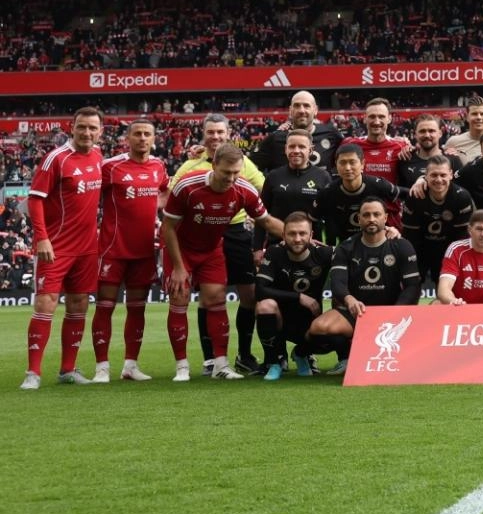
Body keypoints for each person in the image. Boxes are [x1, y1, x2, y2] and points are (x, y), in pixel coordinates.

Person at [160, 144, 283, 381]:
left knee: (216, 299)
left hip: (212, 251)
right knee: (179, 299)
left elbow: (267, 222)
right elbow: (168, 227)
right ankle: (182, 366)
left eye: (236, 172)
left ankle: (221, 365)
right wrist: (177, 267)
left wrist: (299, 236)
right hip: (180, 250)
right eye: (226, 172)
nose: (231, 178)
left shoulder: (243, 189)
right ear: (214, 165)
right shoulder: (188, 185)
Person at [22, 107, 105, 390]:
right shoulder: (55, 159)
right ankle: (33, 373)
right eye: (82, 127)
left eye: (92, 128)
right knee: (45, 304)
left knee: (79, 305)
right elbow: (35, 199)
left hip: (86, 248)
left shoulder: (98, 157)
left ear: (100, 132)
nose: (87, 132)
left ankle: (67, 369)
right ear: (72, 127)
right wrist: (42, 237)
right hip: (55, 247)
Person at [305, 198, 421, 374]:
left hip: (390, 312)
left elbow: (413, 286)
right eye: (366, 215)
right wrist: (349, 299)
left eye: (376, 214)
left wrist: (396, 312)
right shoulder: (346, 247)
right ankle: (344, 356)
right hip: (357, 312)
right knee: (319, 328)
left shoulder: (401, 245)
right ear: (359, 219)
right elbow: (337, 283)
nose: (371, 218)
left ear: (385, 218)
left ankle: (373, 352)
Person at [93, 118, 168, 383]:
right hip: (112, 249)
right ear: (128, 138)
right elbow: (90, 197)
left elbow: (165, 194)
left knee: (137, 308)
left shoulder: (159, 166)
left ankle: (130, 365)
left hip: (145, 251)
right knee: (105, 307)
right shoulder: (111, 167)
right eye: (137, 134)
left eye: (147, 134)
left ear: (154, 138)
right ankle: (102, 367)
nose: (142, 138)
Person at [254, 213, 333, 381]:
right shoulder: (274, 253)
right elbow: (260, 290)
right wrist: (299, 297)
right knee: (264, 306)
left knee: (335, 335)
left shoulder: (324, 253)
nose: (297, 239)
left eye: (302, 233)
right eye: (291, 234)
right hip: (280, 321)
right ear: (283, 235)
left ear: (311, 235)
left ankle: (301, 354)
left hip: (311, 323)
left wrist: (388, 231)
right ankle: (274, 362)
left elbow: (358, 249)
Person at [401, 155, 474, 288]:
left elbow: (461, 237)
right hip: (420, 247)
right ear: (426, 176)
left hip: (448, 248)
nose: (439, 180)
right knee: (411, 286)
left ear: (451, 175)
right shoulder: (415, 195)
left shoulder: (462, 197)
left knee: (446, 292)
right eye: (434, 175)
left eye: (443, 175)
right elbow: (409, 236)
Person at [258, 130, 331, 254]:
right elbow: (261, 215)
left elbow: (330, 218)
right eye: (292, 146)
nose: (296, 151)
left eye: (302, 146)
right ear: (286, 149)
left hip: (312, 248)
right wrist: (257, 248)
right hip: (277, 247)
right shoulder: (273, 176)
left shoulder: (323, 177)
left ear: (311, 150)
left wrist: (330, 248)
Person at [317, 144, 404, 246]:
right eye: (342, 163)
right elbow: (313, 220)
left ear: (362, 164)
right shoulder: (328, 192)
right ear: (336, 164)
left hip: (378, 244)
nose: (348, 168)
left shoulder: (377, 185)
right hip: (345, 248)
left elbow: (408, 194)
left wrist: (422, 182)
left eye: (352, 162)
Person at [248, 90, 344, 173]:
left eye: (306, 106)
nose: (301, 110)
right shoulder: (275, 139)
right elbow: (249, 168)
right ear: (290, 110)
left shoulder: (331, 134)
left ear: (315, 110)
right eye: (297, 106)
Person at [353, 98, 409, 226]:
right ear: (365, 118)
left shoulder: (401, 147)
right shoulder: (352, 144)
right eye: (372, 116)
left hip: (391, 218)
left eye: (381, 117)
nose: (376, 121)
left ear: (389, 118)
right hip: (360, 217)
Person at [399, 114, 464, 190]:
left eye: (431, 131)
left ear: (440, 133)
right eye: (422, 131)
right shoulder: (406, 159)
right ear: (415, 134)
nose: (427, 135)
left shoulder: (453, 160)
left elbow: (461, 191)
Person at [445, 96, 483, 165]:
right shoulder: (453, 142)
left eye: (482, 114)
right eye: (474, 114)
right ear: (467, 117)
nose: (479, 117)